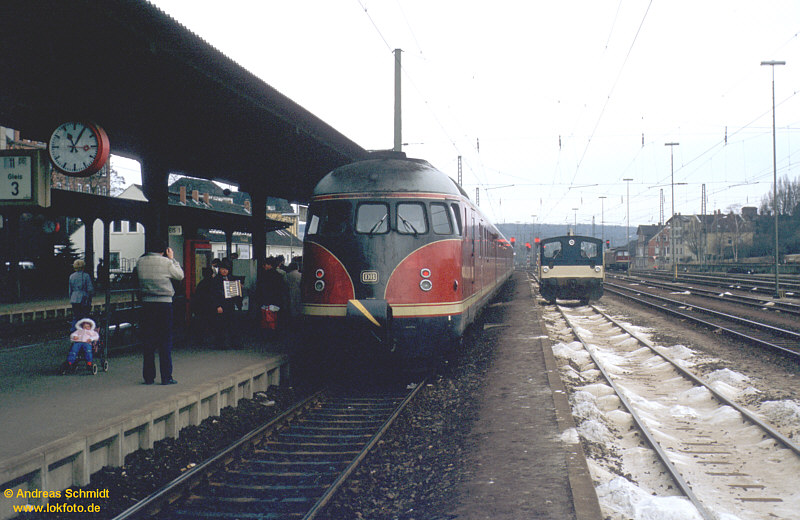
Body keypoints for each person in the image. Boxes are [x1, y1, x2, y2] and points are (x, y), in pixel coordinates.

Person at [135, 239, 184, 385]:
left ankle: (148, 377)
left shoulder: (140, 262)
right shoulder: (166, 262)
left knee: (148, 341)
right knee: (165, 340)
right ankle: (166, 377)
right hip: (164, 304)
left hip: (147, 304)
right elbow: (180, 275)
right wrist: (172, 259)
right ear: (164, 250)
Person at [255, 256, 288, 341]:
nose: (264, 266)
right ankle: (274, 336)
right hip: (276, 301)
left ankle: (267, 336)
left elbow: (260, 289)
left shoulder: (263, 276)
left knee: (266, 321)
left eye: (265, 264)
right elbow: (282, 289)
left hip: (266, 301)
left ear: (270, 265)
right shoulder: (279, 275)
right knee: (274, 320)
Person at [211, 258, 240, 349]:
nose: (224, 271)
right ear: (219, 269)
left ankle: (234, 343)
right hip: (221, 305)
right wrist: (217, 305)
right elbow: (213, 294)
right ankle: (220, 344)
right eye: (222, 269)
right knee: (221, 325)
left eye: (226, 269)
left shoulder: (231, 279)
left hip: (230, 304)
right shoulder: (215, 280)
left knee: (233, 324)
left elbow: (235, 293)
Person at [69, 259, 93, 327]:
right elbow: (90, 289)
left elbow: (70, 289)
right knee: (84, 317)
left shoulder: (71, 276)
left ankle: (74, 329)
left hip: (74, 298)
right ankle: (83, 330)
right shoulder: (86, 276)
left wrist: (71, 298)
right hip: (84, 298)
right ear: (83, 267)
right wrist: (90, 297)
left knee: (76, 317)